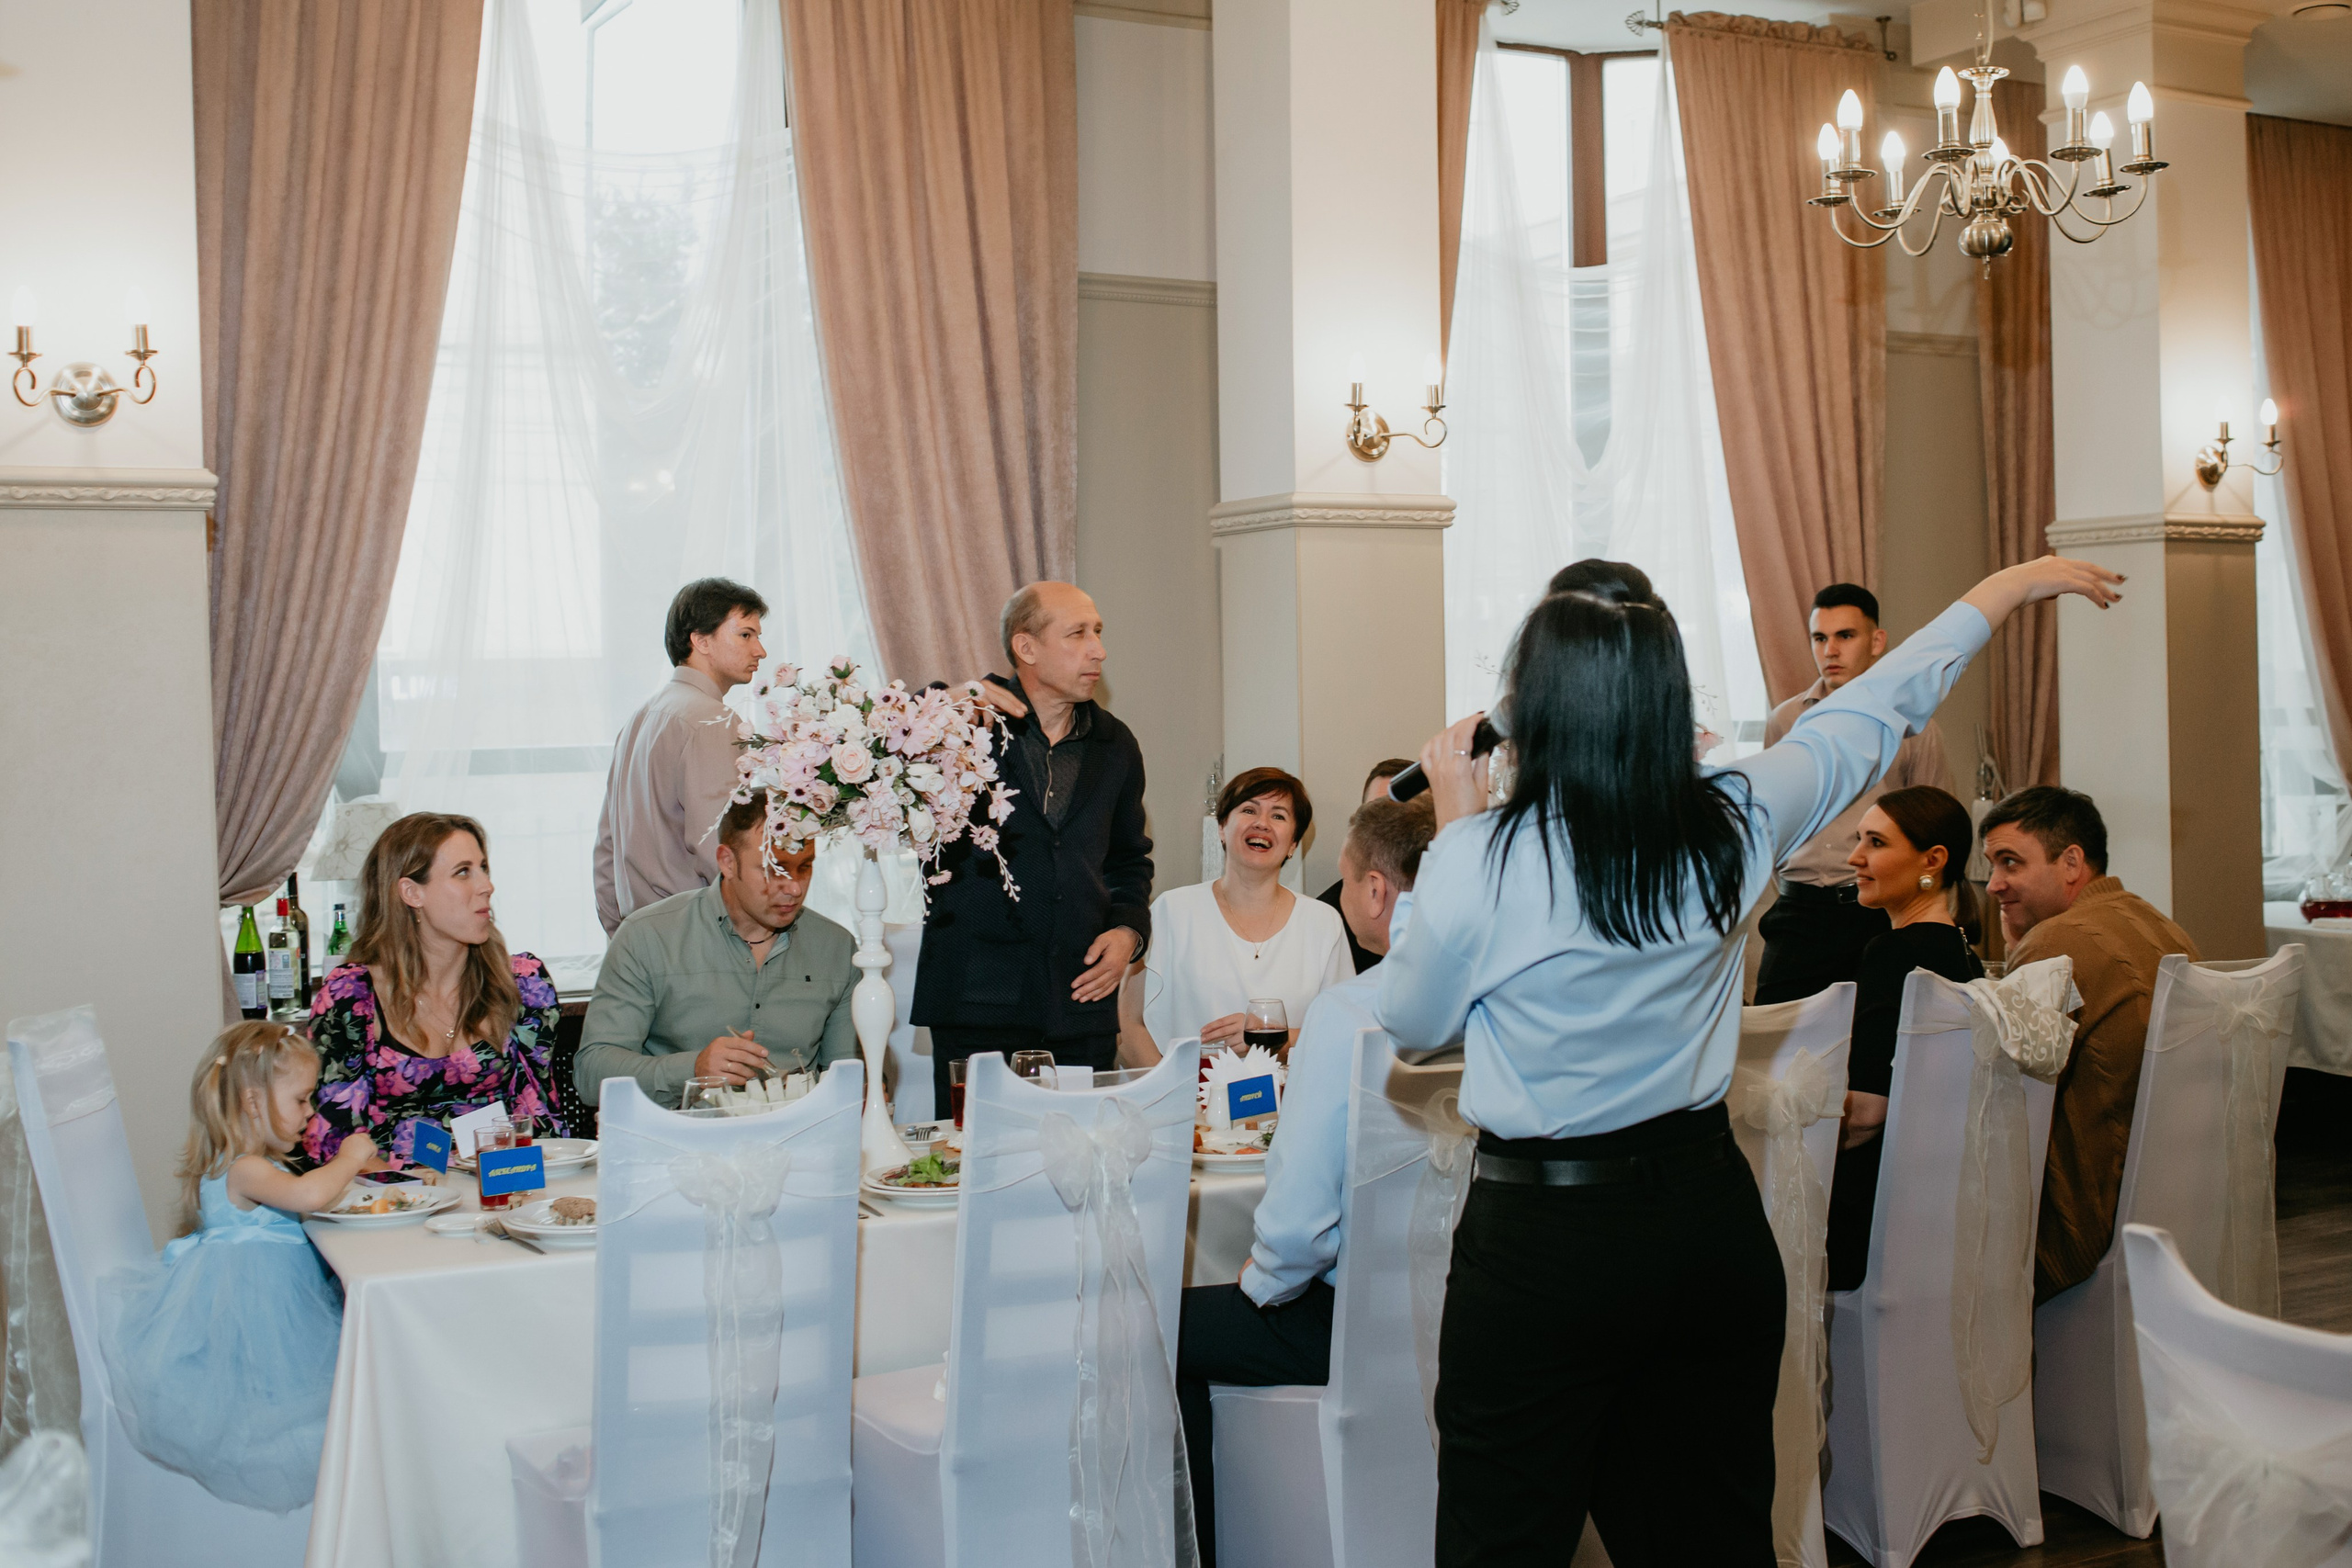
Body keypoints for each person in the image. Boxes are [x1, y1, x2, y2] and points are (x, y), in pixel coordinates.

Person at [1380, 556, 2123, 1564]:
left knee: (1500, 1540)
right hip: (1702, 1224)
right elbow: (1881, 702)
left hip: (1541, 1245)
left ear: (1534, 704)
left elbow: (1413, 1022)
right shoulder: (1735, 815)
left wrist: (1457, 829)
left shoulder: (1484, 855)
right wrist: (2011, 585)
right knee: (1710, 1538)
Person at [1174, 795, 1438, 1567]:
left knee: (1159, 1325)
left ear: (1377, 891)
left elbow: (1298, 1230)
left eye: (1347, 877)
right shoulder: (1496, 996)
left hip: (1350, 1321)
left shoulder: (1350, 1012)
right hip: (1464, 1305)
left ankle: (1205, 1547)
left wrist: (1263, 1282)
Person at [100, 1021, 381, 1512]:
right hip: (261, 1325)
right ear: (253, 1102)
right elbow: (308, 1194)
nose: (310, 1112)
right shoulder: (246, 1169)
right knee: (325, 1405)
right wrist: (350, 1157)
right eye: (301, 1099)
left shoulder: (251, 1164)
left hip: (271, 1314)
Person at [912, 581, 1153, 1115]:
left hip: (1080, 1000)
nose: (1099, 650)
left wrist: (1128, 932)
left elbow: (1129, 860)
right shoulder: (961, 722)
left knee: (1080, 1155)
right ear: (1026, 647)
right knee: (975, 1156)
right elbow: (878, 744)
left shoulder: (1116, 744)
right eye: (1078, 634)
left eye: (1098, 632)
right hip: (976, 1001)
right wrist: (943, 704)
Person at [1980, 784, 2199, 1303]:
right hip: (2173, 1200)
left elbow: (1999, 1098)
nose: (1993, 885)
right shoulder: (2164, 928)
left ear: (2072, 862)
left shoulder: (2057, 943)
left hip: (2076, 1226)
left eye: (2010, 862)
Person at [305, 814, 570, 1167]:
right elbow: (335, 1138)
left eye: (483, 868)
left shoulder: (523, 984)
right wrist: (415, 1192)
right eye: (463, 872)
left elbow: (538, 1118)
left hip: (498, 1185)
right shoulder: (351, 997)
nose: (487, 885)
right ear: (412, 893)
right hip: (387, 1193)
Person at [574, 790, 859, 1108]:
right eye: (774, 869)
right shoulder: (648, 936)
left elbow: (847, 1078)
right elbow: (592, 1074)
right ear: (727, 862)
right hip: (680, 1133)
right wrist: (693, 1069)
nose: (794, 887)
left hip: (800, 1132)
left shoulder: (836, 948)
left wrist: (864, 1093)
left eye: (805, 867)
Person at [1755, 584, 1951, 1006]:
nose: (1830, 650)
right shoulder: (1785, 720)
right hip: (1798, 912)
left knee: (1877, 1036)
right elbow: (1772, 822)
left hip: (1877, 912)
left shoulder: (1913, 727)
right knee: (1772, 1033)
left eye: (1845, 636)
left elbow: (1937, 829)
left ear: (1876, 642)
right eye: (1820, 638)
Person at [1824, 786, 1986, 1292]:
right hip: (1933, 1205)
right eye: (1859, 840)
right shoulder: (1964, 952)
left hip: (1870, 1214)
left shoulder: (1893, 953)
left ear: (1932, 860)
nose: (1855, 858)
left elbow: (1868, 1112)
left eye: (1875, 843)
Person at [1125, 767, 1351, 1062]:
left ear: (1294, 844)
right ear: (1222, 827)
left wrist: (1273, 1039)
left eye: (1278, 816)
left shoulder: (1323, 923)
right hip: (1184, 1090)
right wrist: (1172, 1087)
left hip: (1290, 1091)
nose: (1262, 823)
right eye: (1249, 810)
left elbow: (1343, 1031)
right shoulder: (1171, 911)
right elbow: (1128, 1025)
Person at [594, 578, 769, 936]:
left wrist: (622, 937)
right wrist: (757, 931)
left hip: (641, 936)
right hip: (698, 937)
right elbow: (720, 851)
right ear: (700, 640)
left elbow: (606, 851)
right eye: (746, 635)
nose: (760, 651)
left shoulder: (639, 719)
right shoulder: (712, 720)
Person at [1317, 760, 1413, 973]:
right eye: (1378, 812)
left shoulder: (1459, 903)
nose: (1393, 826)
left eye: (1407, 814)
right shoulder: (1328, 918)